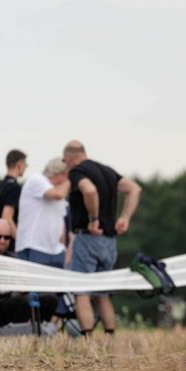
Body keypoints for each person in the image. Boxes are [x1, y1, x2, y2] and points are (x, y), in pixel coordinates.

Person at [63, 140, 142, 336]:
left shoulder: (77, 172)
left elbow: (89, 190)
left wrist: (93, 219)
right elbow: (134, 188)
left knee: (81, 291)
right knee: (103, 293)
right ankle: (109, 337)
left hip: (87, 238)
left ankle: (88, 340)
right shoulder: (107, 171)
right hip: (109, 242)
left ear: (70, 158)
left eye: (65, 161)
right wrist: (125, 217)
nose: (66, 166)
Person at [0, 219, 58, 329]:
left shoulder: (14, 259)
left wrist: (20, 275)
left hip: (9, 299)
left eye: (6, 237)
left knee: (49, 298)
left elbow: (25, 289)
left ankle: (38, 332)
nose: (2, 241)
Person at [16, 158, 70, 267]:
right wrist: (70, 180)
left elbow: (61, 219)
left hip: (57, 250)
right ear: (57, 175)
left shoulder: (58, 190)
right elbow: (57, 195)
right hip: (34, 247)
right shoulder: (36, 179)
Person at [0, 150, 28, 250]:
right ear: (19, 165)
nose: (25, 168)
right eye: (25, 164)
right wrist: (21, 242)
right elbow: (7, 217)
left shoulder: (0, 184)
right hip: (6, 243)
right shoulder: (14, 188)